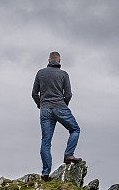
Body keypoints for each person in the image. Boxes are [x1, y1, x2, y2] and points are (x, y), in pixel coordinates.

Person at [32, 51, 82, 180]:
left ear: (49, 60)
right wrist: (63, 105)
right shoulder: (64, 74)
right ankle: (69, 154)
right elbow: (69, 94)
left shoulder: (40, 73)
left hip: (45, 110)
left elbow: (34, 94)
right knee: (75, 129)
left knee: (46, 141)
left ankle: (45, 173)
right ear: (59, 61)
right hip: (60, 108)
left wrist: (41, 104)